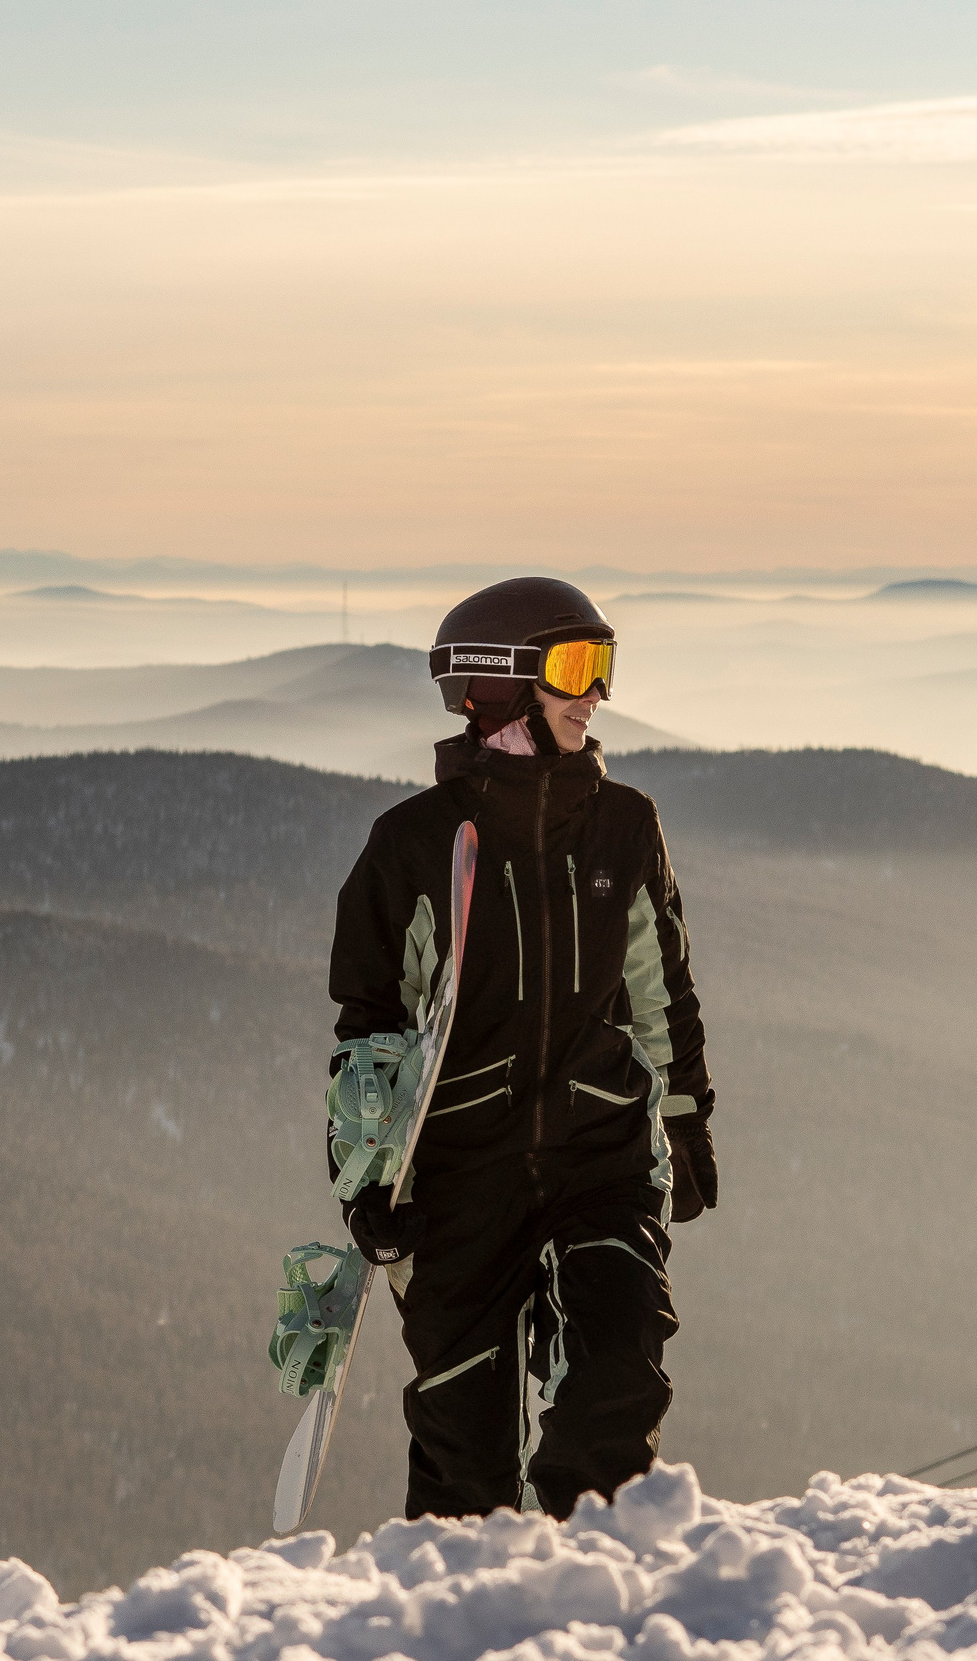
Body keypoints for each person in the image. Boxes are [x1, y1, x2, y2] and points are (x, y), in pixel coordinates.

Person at [326, 575, 716, 1521]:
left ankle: (579, 1570)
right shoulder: (411, 849)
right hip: (464, 1170)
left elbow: (659, 990)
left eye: (604, 666)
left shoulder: (625, 826)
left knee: (621, 1382)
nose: (597, 694)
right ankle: (475, 1598)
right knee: (464, 1461)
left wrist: (684, 1123)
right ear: (496, 687)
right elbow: (370, 1024)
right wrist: (366, 1174)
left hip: (604, 1150)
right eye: (577, 667)